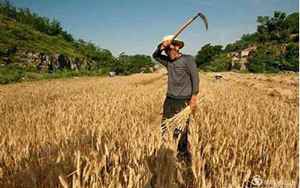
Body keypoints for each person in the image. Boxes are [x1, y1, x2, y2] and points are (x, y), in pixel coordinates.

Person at [151, 35, 199, 187]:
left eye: (171, 48)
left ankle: (182, 156)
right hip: (169, 99)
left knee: (182, 129)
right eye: (166, 50)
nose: (168, 52)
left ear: (178, 47)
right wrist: (162, 45)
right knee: (165, 126)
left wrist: (193, 98)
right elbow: (155, 55)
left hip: (183, 100)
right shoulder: (167, 62)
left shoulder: (188, 60)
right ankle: (166, 153)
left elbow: (195, 78)